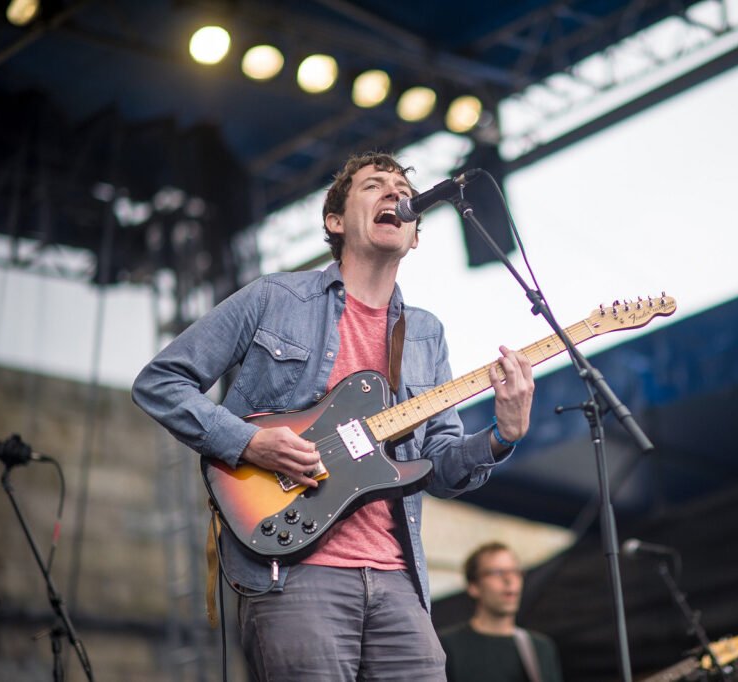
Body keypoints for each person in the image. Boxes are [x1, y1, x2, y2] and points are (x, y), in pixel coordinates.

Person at [132, 152, 535, 681]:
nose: (394, 193)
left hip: (397, 579)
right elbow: (159, 383)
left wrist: (502, 436)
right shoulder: (275, 299)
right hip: (296, 570)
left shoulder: (425, 333)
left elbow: (440, 465)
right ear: (336, 221)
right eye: (374, 185)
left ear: (415, 236)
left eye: (400, 187)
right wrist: (248, 443)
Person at [438, 542, 563, 682]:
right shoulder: (445, 646)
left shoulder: (541, 648)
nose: (509, 580)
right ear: (474, 586)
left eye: (515, 572)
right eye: (497, 572)